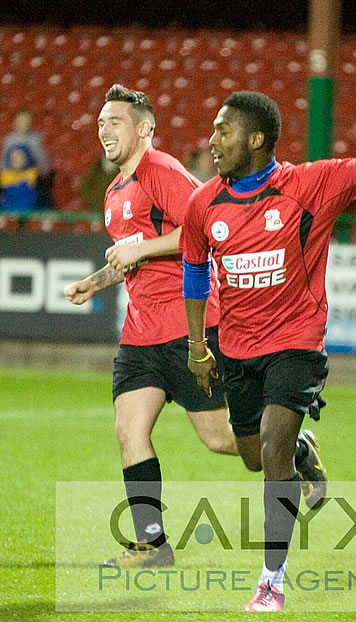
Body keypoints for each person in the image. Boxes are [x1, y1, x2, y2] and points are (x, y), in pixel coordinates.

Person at [181, 64, 356, 611]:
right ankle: (301, 450)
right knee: (252, 454)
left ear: (256, 139)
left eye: (223, 131)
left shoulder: (308, 185)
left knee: (269, 450)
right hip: (237, 348)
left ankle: (272, 580)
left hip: (296, 341)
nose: (212, 140)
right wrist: (198, 346)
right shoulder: (203, 204)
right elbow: (196, 271)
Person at [63, 84, 241, 569]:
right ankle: (152, 544)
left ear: (143, 129)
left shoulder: (161, 171)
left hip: (188, 328)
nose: (104, 131)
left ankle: (294, 449)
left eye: (114, 122)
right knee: (129, 430)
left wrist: (138, 249)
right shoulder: (115, 190)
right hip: (140, 333)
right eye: (100, 123)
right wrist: (96, 283)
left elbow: (201, 231)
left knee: (222, 439)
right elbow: (129, 257)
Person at [2, 109, 53, 210]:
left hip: (32, 176)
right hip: (11, 176)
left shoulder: (35, 140)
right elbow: (4, 160)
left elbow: (43, 162)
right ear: (15, 122)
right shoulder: (9, 140)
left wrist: (36, 174)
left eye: (26, 120)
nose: (24, 123)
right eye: (21, 120)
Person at [0, 144, 39, 213]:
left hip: (27, 206)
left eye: (20, 157)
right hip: (8, 205)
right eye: (14, 158)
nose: (17, 160)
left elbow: (31, 182)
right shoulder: (6, 173)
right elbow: (4, 183)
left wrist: (15, 180)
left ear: (27, 158)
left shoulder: (32, 172)